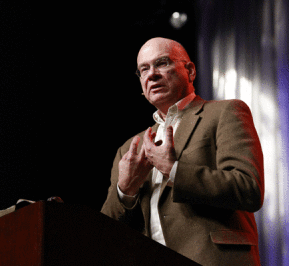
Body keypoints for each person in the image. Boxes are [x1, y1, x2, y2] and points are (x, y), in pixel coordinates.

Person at [101, 37, 264, 266]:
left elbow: (248, 188)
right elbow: (104, 232)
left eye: (162, 63)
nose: (152, 74)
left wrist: (174, 169)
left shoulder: (225, 113)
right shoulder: (130, 148)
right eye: (143, 69)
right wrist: (125, 190)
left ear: (190, 71)